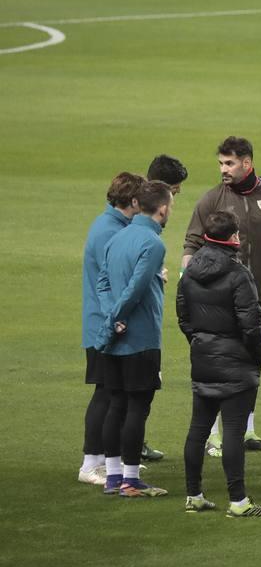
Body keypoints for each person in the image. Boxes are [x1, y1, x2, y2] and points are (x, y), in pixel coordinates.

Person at [182, 136, 261, 453]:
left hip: (256, 295)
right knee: (220, 364)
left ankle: (247, 431)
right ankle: (215, 435)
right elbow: (191, 242)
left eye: (229, 163)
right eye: (221, 163)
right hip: (218, 298)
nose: (223, 170)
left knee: (252, 364)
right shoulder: (211, 199)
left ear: (247, 163)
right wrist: (185, 279)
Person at [177, 211, 261, 517]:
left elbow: (183, 317)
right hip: (236, 363)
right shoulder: (238, 274)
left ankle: (194, 494)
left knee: (198, 429)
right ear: (233, 238)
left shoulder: (191, 270)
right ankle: (238, 501)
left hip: (203, 357)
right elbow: (251, 324)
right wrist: (259, 354)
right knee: (233, 431)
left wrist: (200, 342)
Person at [96, 179, 173, 498]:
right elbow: (137, 288)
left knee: (115, 404)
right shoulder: (153, 244)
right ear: (163, 209)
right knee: (137, 407)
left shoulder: (117, 237)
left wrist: (109, 318)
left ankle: (113, 477)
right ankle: (130, 478)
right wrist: (119, 317)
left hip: (115, 337)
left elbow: (102, 283)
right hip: (140, 337)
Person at [79, 172, 143, 486]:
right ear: (133, 201)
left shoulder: (112, 226)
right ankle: (91, 463)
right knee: (105, 391)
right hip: (104, 326)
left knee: (112, 390)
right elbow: (113, 281)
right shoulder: (109, 231)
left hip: (106, 322)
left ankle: (107, 459)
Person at [141, 155, 187, 463]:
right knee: (132, 391)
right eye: (175, 190)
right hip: (135, 325)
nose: (177, 197)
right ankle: (123, 455)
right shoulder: (144, 231)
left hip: (133, 321)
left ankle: (127, 445)